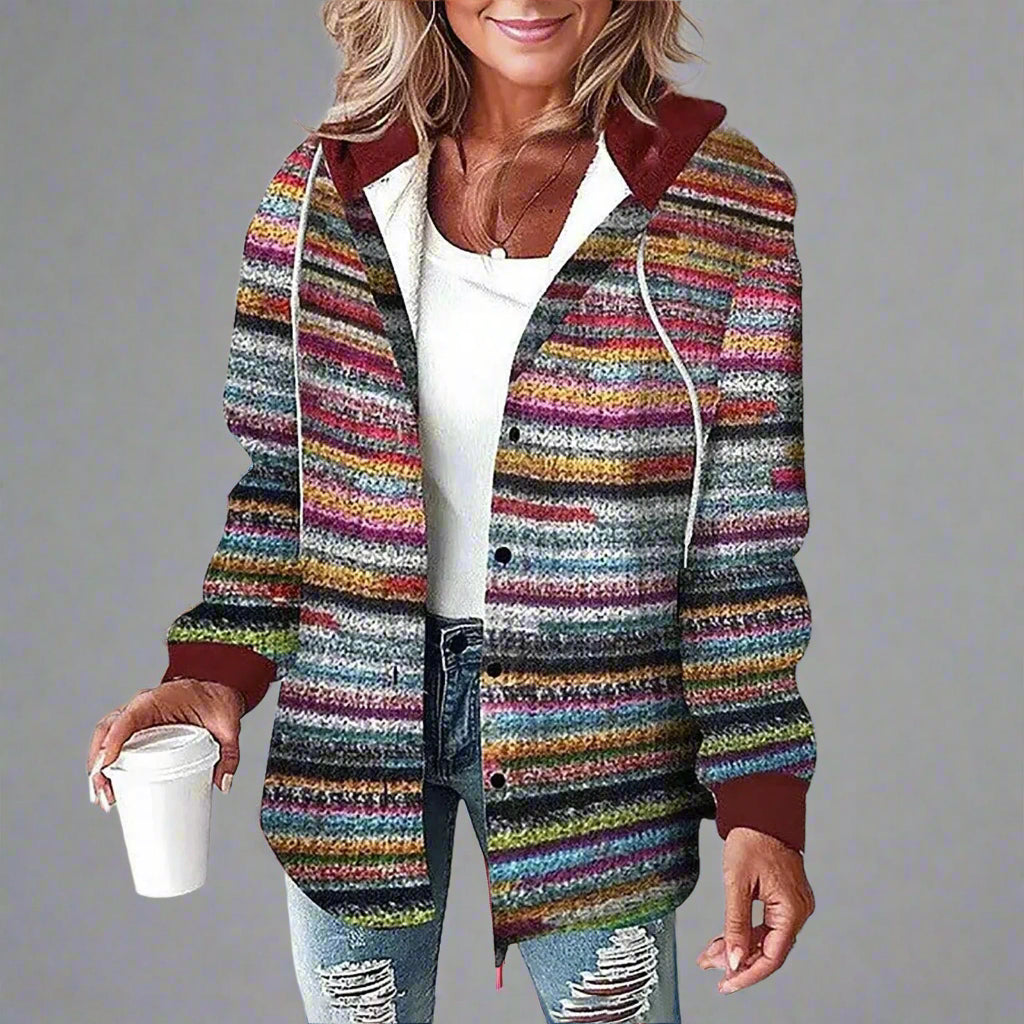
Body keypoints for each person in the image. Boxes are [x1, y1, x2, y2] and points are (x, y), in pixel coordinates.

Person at [87, 2, 817, 1020]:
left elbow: (741, 545)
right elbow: (284, 483)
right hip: (357, 726)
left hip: (593, 747)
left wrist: (762, 799)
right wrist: (210, 672)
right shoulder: (322, 194)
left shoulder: (722, 204)